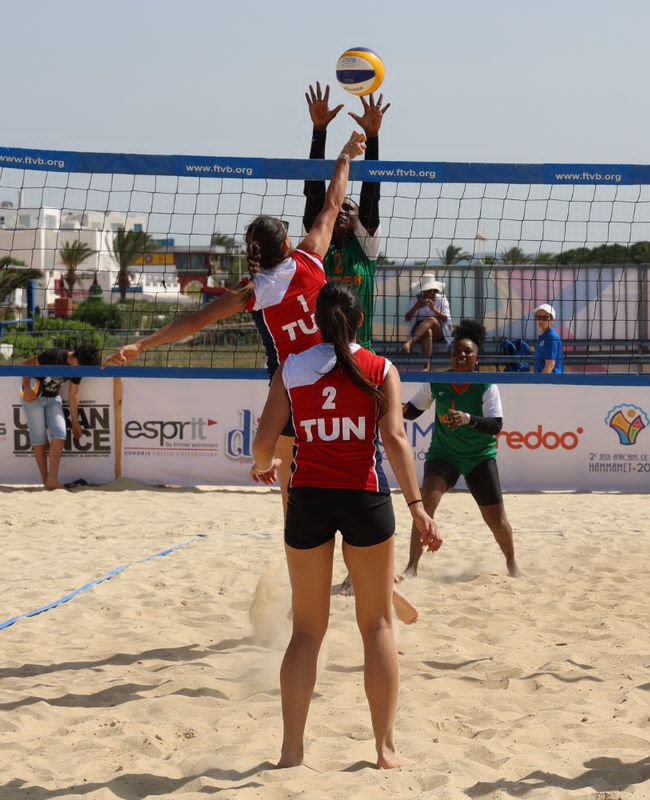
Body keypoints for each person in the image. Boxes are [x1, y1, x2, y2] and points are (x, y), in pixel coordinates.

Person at [105, 131, 367, 498]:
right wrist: (345, 155)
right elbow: (333, 201)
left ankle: (290, 527)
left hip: (291, 386)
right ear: (287, 244)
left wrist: (142, 345)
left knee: (291, 487)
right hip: (335, 371)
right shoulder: (310, 257)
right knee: (344, 468)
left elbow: (193, 322)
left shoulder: (253, 291)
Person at [250, 280, 442, 770]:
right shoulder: (380, 369)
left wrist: (264, 464)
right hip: (365, 499)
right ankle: (384, 750)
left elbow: (264, 442)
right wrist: (418, 506)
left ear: (316, 321)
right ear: (359, 321)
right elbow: (396, 439)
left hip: (309, 500)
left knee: (307, 633)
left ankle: (291, 751)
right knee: (377, 625)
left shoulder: (292, 369)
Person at [402, 319, 518, 577]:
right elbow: (411, 411)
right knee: (425, 506)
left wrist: (467, 419)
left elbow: (495, 425)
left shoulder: (486, 384)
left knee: (496, 520)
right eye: (457, 352)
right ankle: (412, 567)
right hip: (444, 455)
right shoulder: (437, 381)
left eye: (467, 352)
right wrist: (391, 405)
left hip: (479, 457)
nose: (461, 356)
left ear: (477, 358)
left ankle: (512, 565)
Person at [303, 83, 389, 350]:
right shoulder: (319, 248)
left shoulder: (365, 249)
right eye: (339, 206)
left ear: (359, 220)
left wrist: (372, 137)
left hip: (360, 348)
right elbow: (315, 194)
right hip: (321, 349)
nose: (341, 210)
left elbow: (371, 195)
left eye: (349, 209)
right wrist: (319, 131)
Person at [19, 344, 99, 490]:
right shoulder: (54, 355)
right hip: (33, 397)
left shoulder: (78, 369)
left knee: (60, 433)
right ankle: (46, 480)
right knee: (39, 438)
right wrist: (27, 388)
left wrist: (75, 422)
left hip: (53, 398)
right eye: (82, 367)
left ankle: (52, 479)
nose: (81, 371)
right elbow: (25, 365)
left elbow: (74, 394)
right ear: (76, 358)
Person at [400, 273, 452, 370]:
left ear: (435, 290)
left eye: (431, 290)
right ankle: (426, 367)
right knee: (428, 332)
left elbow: (446, 318)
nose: (429, 293)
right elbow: (407, 318)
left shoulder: (442, 299)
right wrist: (416, 307)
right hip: (419, 332)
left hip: (438, 330)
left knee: (431, 320)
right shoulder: (416, 299)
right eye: (426, 291)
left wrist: (433, 309)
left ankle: (410, 343)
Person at [532, 303, 564, 374]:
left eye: (545, 318)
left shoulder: (551, 337)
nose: (541, 321)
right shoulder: (543, 337)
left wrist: (539, 382)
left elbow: (549, 365)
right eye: (538, 317)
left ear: (552, 320)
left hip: (551, 382)